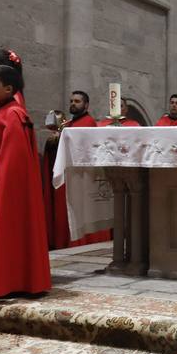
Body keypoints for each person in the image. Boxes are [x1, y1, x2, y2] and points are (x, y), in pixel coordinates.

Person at [0, 65, 51, 298]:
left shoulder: (14, 114)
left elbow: (13, 157)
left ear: (8, 88)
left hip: (2, 179)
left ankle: (5, 281)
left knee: (3, 230)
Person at [43, 91, 108, 249]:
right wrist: (53, 142)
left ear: (86, 105)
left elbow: (84, 148)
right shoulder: (68, 124)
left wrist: (61, 139)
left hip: (80, 176)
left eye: (77, 101)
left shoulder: (88, 122)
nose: (73, 103)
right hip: (67, 172)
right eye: (72, 101)